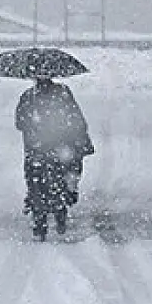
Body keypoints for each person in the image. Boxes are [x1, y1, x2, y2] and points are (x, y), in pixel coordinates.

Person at [15, 76, 94, 235]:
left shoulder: (28, 96)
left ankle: (39, 219)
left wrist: (34, 129)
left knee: (35, 182)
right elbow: (76, 118)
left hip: (36, 149)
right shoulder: (63, 94)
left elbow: (20, 122)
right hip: (60, 147)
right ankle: (61, 211)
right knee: (62, 178)